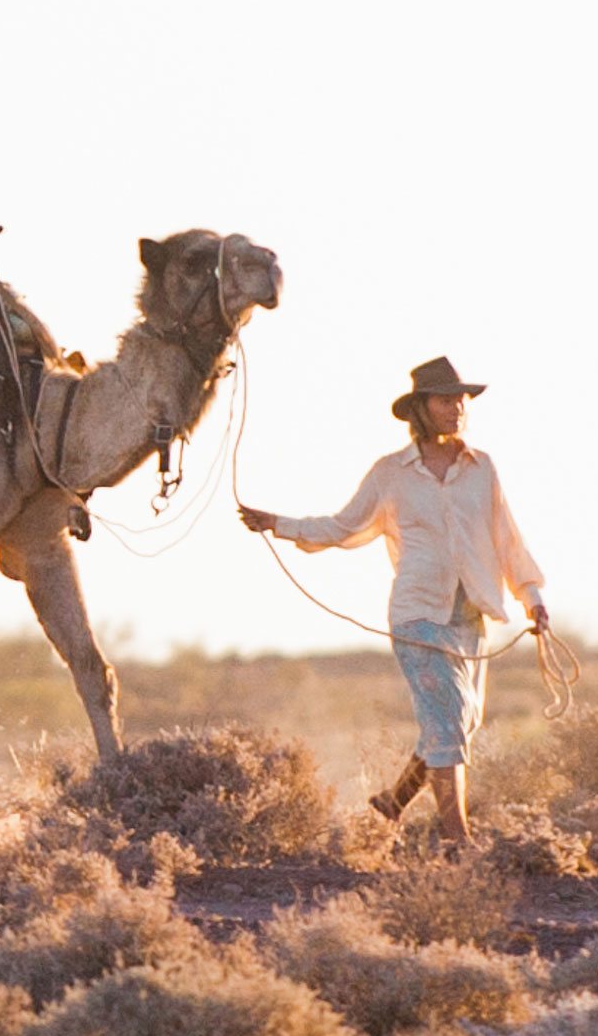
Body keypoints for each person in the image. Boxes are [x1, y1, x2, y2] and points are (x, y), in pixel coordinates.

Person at [235, 356, 551, 848]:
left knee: (460, 722)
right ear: (421, 408)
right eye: (445, 400)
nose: (457, 408)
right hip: (417, 614)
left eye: (461, 400)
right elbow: (344, 526)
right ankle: (457, 841)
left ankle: (393, 801)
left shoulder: (481, 467)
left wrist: (531, 597)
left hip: (470, 615)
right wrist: (279, 523)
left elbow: (506, 537)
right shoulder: (391, 473)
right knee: (448, 721)